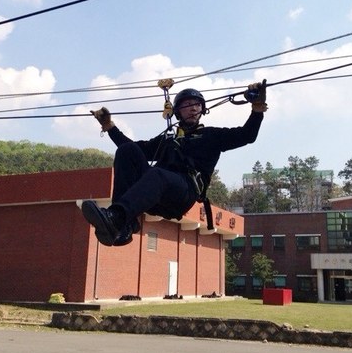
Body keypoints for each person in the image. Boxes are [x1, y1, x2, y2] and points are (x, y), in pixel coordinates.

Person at [81, 81, 267, 246]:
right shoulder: (168, 140)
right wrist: (109, 127)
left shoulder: (212, 136)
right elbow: (132, 149)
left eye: (197, 105)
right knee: (126, 151)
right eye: (187, 105)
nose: (193, 108)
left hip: (183, 192)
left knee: (158, 174)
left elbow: (247, 135)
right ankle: (123, 225)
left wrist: (257, 108)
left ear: (202, 110)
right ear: (178, 112)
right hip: (156, 191)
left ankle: (117, 217)